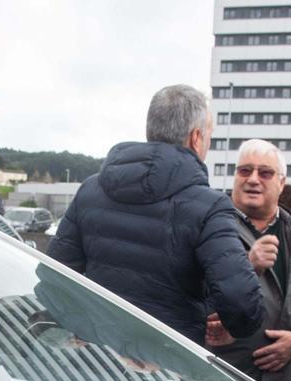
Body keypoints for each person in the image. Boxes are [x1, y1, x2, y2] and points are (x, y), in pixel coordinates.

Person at [47, 84, 263, 344]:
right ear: (196, 138)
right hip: (168, 365)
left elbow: (54, 276)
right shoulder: (210, 207)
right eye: (208, 136)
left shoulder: (91, 189)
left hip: (99, 357)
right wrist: (234, 327)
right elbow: (241, 305)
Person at [205, 139, 291, 381]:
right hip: (218, 379)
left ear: (282, 183)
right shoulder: (210, 224)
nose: (253, 179)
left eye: (265, 173)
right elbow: (187, 291)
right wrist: (247, 266)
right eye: (245, 170)